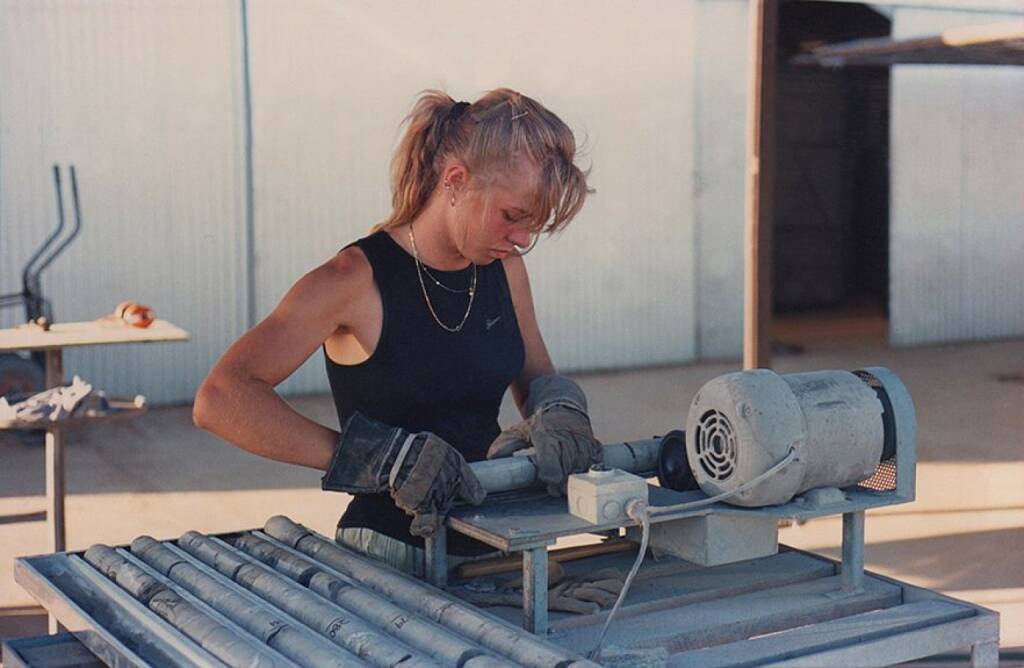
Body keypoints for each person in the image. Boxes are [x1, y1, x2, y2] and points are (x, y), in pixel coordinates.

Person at [193, 88, 603, 577]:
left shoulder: (505, 268)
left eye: (531, 224)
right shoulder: (353, 279)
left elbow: (534, 373)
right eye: (512, 216)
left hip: (497, 539)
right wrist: (376, 460)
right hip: (390, 557)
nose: (522, 239)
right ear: (455, 180)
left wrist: (558, 409)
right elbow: (220, 399)